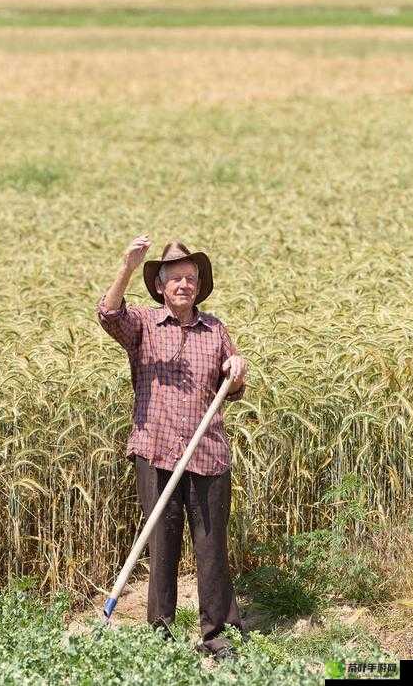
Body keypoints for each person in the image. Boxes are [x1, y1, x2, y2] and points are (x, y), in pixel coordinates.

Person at [97, 235, 247, 660]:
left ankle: (217, 634)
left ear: (199, 284)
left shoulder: (215, 329)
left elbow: (234, 386)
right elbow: (108, 314)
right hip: (156, 450)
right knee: (162, 543)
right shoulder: (143, 325)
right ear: (160, 286)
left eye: (191, 278)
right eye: (176, 278)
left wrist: (236, 369)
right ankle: (160, 633)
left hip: (207, 454)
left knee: (211, 546)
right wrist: (127, 266)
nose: (184, 284)